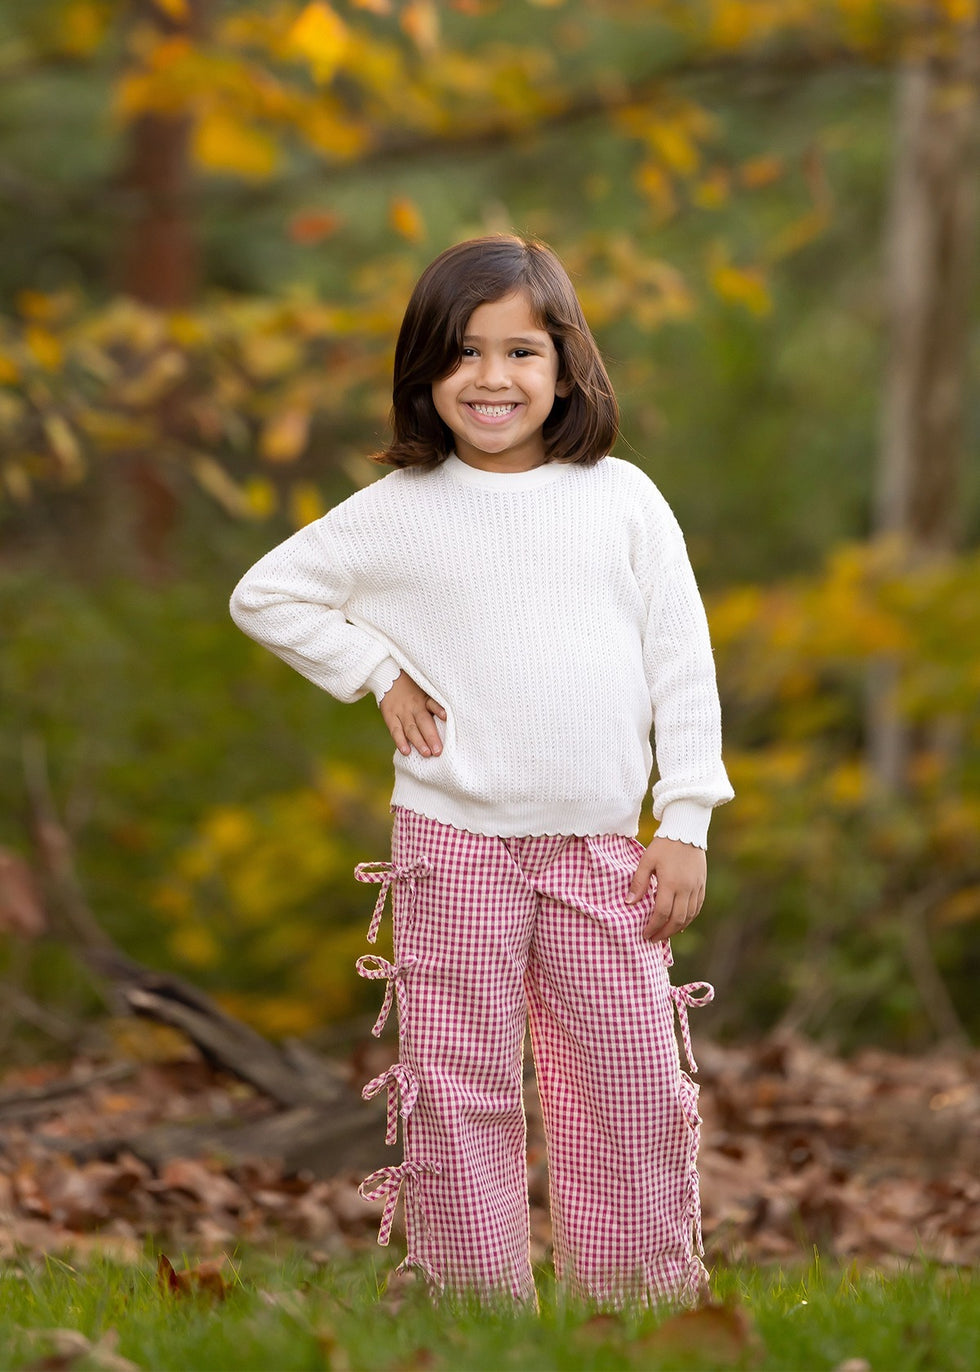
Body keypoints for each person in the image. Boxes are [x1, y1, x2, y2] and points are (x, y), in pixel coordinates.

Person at [229, 234, 733, 1309]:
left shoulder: (621, 498)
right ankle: (475, 1309)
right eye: (462, 352)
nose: (490, 378)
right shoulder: (400, 511)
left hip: (602, 844)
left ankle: (634, 1305)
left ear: (566, 368)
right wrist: (376, 671)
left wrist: (685, 816)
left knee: (631, 1082)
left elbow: (682, 663)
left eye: (520, 352)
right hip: (452, 843)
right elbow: (264, 594)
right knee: (460, 1089)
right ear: (424, 371)